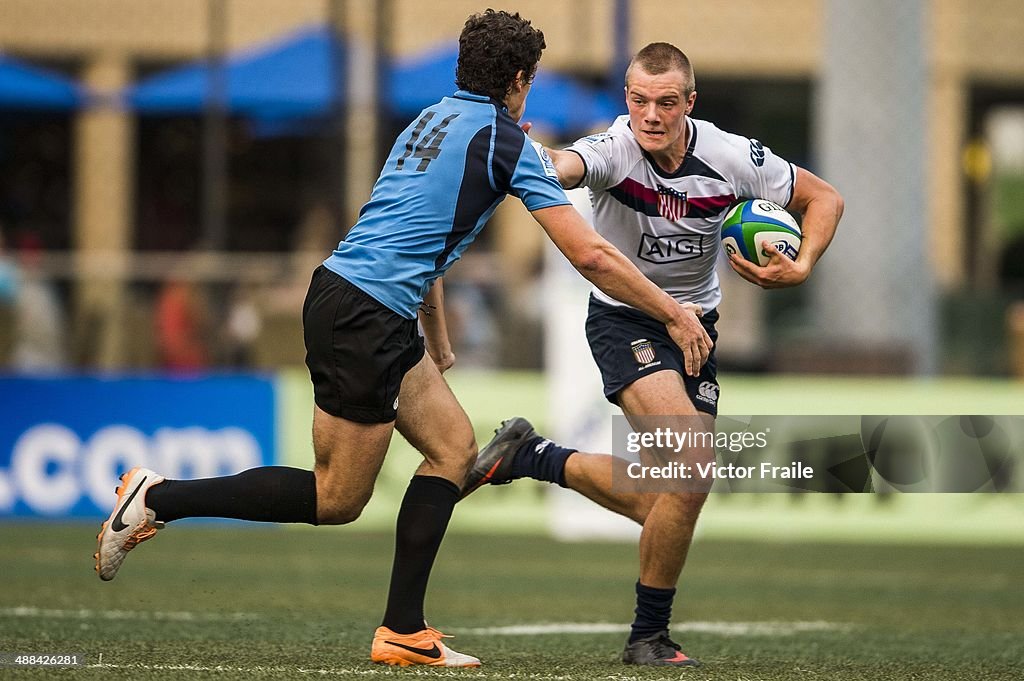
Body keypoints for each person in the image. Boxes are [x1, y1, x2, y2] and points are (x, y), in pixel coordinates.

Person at [93, 15, 710, 668]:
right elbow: (589, 253)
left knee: (453, 445)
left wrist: (436, 340)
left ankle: (403, 628)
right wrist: (674, 312)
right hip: (367, 313)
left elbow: (419, 231)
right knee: (337, 497)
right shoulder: (505, 142)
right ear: (520, 80)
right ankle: (160, 498)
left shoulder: (432, 119)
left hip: (349, 295)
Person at [462, 42, 844, 667]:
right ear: (627, 101)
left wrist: (801, 266)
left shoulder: (731, 156)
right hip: (625, 320)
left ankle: (533, 456)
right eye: (638, 100)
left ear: (689, 103)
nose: (650, 115)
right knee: (692, 467)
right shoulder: (614, 148)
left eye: (666, 102)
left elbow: (826, 198)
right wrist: (519, 152)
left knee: (674, 495)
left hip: (700, 328)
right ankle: (647, 637)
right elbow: (563, 166)